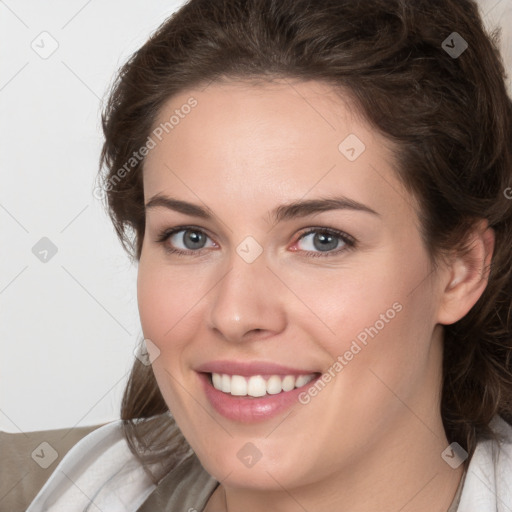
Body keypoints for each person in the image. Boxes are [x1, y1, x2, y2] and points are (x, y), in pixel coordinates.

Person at [27, 0, 512, 510]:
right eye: (191, 237)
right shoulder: (41, 486)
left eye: (322, 239)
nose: (235, 314)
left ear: (461, 270)